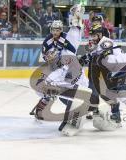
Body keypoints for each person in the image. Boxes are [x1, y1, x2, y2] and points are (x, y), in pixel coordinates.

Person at [32, 4, 89, 136]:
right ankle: (41, 107)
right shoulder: (47, 41)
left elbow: (76, 28)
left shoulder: (68, 37)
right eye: (53, 30)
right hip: (59, 69)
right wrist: (49, 58)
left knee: (82, 89)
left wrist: (77, 16)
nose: (55, 32)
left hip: (73, 68)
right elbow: (46, 57)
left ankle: (86, 110)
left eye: (58, 30)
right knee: (45, 85)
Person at [86, 24, 126, 132]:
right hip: (116, 72)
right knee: (110, 94)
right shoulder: (98, 45)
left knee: (123, 95)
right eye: (91, 36)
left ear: (100, 34)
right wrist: (85, 58)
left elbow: (108, 58)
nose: (92, 38)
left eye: (94, 36)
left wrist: (94, 58)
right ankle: (116, 118)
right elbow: (94, 55)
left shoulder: (106, 42)